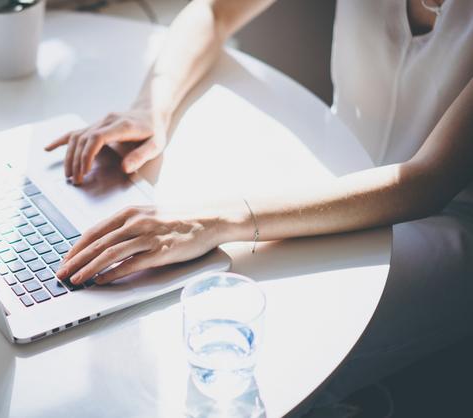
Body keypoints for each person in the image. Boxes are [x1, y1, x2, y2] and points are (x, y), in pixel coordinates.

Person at [45, 0, 473, 413]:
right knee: (197, 284)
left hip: (442, 220)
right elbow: (215, 9)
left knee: (267, 327)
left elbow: (426, 181)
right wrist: (149, 108)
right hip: (336, 172)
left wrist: (214, 222)